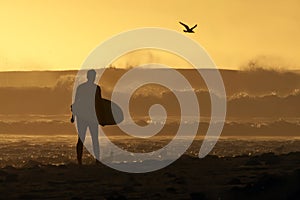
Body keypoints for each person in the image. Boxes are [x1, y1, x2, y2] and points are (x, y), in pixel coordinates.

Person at [71, 69, 102, 165]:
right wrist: (73, 116)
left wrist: (102, 118)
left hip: (90, 117)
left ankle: (96, 160)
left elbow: (99, 104)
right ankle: (80, 160)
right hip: (85, 117)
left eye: (94, 76)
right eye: (92, 76)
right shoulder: (83, 88)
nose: (93, 78)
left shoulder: (94, 88)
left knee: (94, 139)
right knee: (82, 139)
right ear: (88, 77)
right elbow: (76, 103)